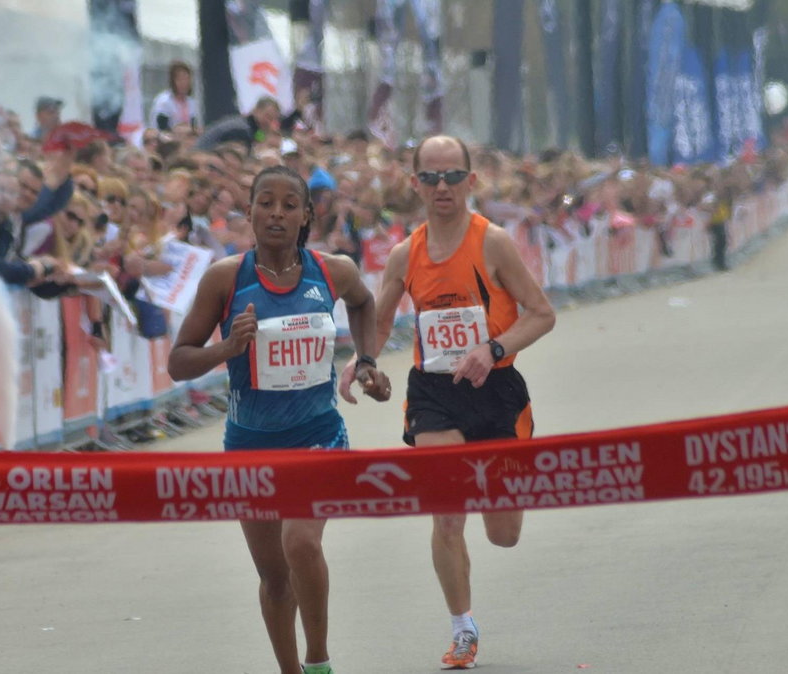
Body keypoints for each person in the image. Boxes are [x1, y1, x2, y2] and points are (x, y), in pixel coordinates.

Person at [339, 135, 556, 670]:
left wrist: (494, 347)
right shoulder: (403, 254)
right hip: (434, 393)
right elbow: (381, 317)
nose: (442, 187)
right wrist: (362, 360)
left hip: (497, 391)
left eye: (452, 176)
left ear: (471, 181)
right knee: (446, 516)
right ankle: (463, 628)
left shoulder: (493, 243)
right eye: (431, 177)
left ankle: (496, 499)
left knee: (503, 534)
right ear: (414, 183)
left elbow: (541, 313)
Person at [168, 165, 390, 674]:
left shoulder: (332, 270)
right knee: (274, 578)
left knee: (302, 542)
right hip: (250, 446)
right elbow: (178, 360)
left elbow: (363, 302)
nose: (276, 213)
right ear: (248, 213)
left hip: (319, 436)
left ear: (307, 215)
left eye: (289, 204)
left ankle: (318, 660)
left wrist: (368, 360)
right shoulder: (226, 278)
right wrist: (228, 347)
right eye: (265, 203)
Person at [150, 60, 199, 131]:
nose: (184, 83)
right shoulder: (164, 102)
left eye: (186, 79)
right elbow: (161, 129)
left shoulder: (192, 103)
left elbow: (194, 126)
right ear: (173, 81)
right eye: (180, 79)